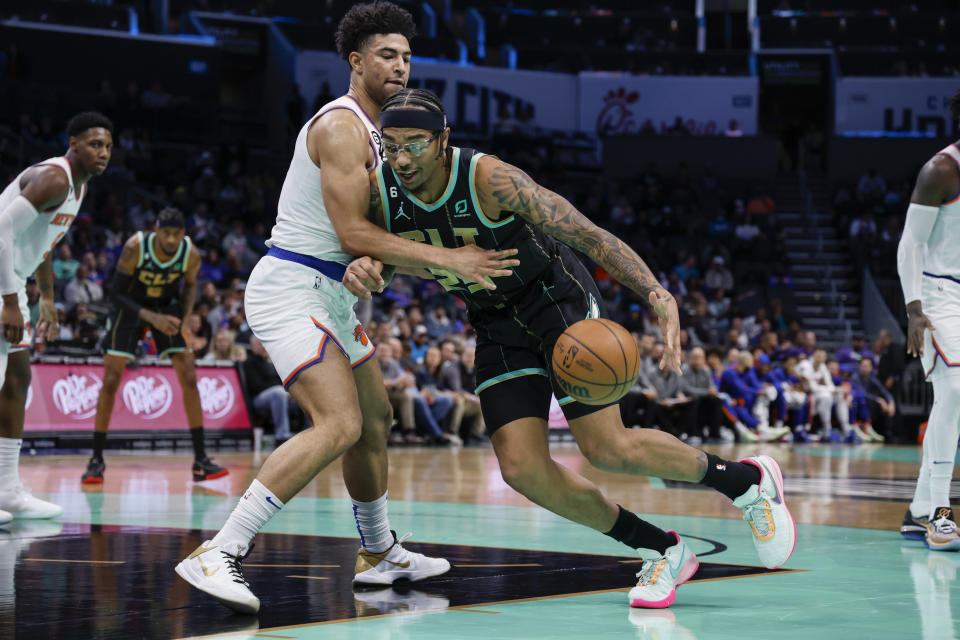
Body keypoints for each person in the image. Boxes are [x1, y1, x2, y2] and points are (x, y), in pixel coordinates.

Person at [345, 88, 796, 609]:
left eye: (415, 144)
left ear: (444, 141)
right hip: (494, 323)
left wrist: (655, 291)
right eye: (392, 145)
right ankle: (661, 549)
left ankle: (746, 481)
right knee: (522, 469)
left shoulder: (488, 178)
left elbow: (586, 233)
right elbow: (382, 258)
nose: (401, 158)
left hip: (557, 307)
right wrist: (368, 272)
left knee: (608, 449)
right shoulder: (381, 192)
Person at [174, 2, 518, 614]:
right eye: (387, 55)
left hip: (331, 290)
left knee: (376, 418)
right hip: (291, 287)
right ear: (356, 62)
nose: (401, 67)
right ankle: (220, 549)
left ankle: (379, 553)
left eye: (408, 57)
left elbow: (365, 247)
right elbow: (353, 232)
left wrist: (375, 270)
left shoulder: (387, 142)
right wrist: (449, 260)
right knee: (339, 424)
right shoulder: (340, 127)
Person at [0, 111, 112, 523]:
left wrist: (46, 296)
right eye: (96, 144)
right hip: (2, 282)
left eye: (109, 147)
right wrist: (12, 301)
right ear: (74, 143)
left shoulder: (78, 190)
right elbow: (0, 232)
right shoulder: (56, 178)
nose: (103, 153)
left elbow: (41, 242)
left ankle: (8, 489)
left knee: (17, 378)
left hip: (11, 278)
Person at [82, 207, 228, 484]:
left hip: (166, 306)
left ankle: (201, 460)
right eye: (166, 233)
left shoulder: (191, 254)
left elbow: (189, 287)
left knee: (188, 374)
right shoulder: (135, 247)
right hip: (129, 306)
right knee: (111, 378)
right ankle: (96, 460)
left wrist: (182, 322)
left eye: (177, 234)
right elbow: (115, 293)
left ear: (183, 233)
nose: (171, 240)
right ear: (156, 230)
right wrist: (152, 319)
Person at [897, 89, 960, 549]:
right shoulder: (941, 170)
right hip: (939, 294)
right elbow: (910, 243)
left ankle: (918, 510)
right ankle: (940, 513)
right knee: (956, 389)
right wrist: (914, 309)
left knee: (954, 400)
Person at [243, 337, 298, 444]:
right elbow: (255, 386)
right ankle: (282, 436)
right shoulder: (249, 362)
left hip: (281, 396)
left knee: (303, 395)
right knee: (278, 392)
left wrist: (291, 391)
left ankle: (308, 431)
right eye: (260, 344)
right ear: (253, 346)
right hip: (259, 399)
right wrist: (283, 391)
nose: (264, 347)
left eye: (265, 344)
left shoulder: (274, 362)